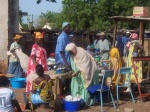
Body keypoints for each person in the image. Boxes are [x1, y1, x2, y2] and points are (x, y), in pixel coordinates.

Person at [55, 22, 71, 94]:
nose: (69, 29)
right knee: (63, 79)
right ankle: (61, 94)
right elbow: (61, 51)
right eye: (68, 27)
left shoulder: (66, 37)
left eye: (69, 27)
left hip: (67, 60)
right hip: (62, 62)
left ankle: (65, 93)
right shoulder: (61, 37)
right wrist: (66, 63)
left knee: (68, 78)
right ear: (64, 28)